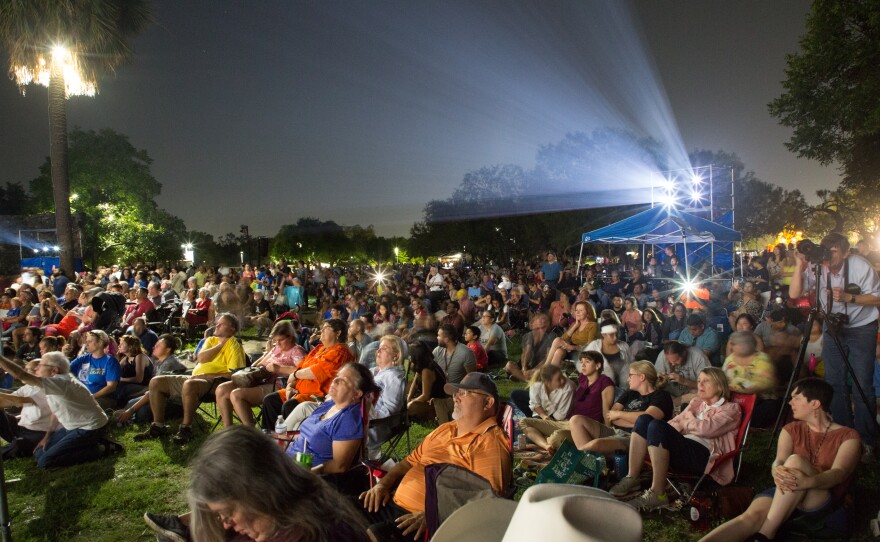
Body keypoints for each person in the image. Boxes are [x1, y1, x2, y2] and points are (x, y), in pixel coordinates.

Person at [143, 426, 370, 542]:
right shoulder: (278, 519)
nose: (226, 524)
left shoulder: (315, 533)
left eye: (227, 513)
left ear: (260, 490)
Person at [700, 378, 860, 541]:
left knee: (795, 461)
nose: (790, 403)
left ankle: (765, 535)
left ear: (815, 404)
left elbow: (839, 473)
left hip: (819, 497)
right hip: (786, 490)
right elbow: (779, 461)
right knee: (750, 517)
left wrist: (807, 482)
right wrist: (777, 470)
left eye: (796, 398)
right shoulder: (791, 429)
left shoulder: (848, 436)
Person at [359, 372, 511, 541]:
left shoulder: (490, 443)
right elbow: (408, 463)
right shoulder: (445, 429)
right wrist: (383, 485)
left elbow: (488, 503)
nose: (455, 398)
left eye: (465, 393)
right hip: (392, 505)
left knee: (373, 534)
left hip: (425, 525)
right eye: (456, 393)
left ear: (488, 402)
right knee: (339, 511)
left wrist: (433, 517)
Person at [790, 232, 880, 456]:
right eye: (825, 251)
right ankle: (844, 435)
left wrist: (851, 298)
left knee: (862, 385)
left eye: (834, 252)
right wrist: (800, 264)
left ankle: (867, 440)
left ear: (847, 252)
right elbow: (794, 293)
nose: (828, 257)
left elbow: (877, 297)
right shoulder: (817, 266)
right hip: (833, 327)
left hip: (862, 327)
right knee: (834, 383)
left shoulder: (860, 266)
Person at [609, 368, 741, 511]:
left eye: (706, 381)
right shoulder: (697, 403)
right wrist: (687, 423)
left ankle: (657, 494)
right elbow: (673, 423)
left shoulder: (731, 409)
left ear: (720, 385)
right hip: (682, 447)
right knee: (644, 419)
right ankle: (632, 478)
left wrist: (686, 421)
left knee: (657, 425)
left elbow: (706, 429)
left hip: (703, 457)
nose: (700, 385)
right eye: (698, 381)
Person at [135, 313, 246, 444]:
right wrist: (220, 344)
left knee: (190, 384)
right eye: (217, 322)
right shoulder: (211, 340)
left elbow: (234, 374)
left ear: (232, 329)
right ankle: (158, 426)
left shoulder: (234, 345)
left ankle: (186, 428)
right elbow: (202, 358)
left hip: (215, 383)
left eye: (221, 324)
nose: (217, 325)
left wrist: (208, 375)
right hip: (195, 378)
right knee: (156, 382)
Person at [0, 352, 112, 468]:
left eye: (41, 365)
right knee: (39, 451)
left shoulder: (60, 382)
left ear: (54, 370)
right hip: (73, 427)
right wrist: (47, 437)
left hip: (90, 428)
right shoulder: (56, 383)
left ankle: (100, 449)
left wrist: (1, 359)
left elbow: (21, 375)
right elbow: (56, 411)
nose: (37, 367)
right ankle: (86, 445)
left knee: (45, 462)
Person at [285, 363, 380, 475]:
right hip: (289, 462)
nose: (335, 381)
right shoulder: (329, 405)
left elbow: (339, 466)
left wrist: (308, 474)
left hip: (306, 477)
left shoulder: (348, 420)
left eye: (343, 380)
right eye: (337, 376)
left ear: (357, 393)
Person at [260, 318, 353, 431]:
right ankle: (269, 439)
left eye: (325, 329)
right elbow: (301, 367)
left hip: (316, 396)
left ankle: (285, 442)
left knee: (289, 405)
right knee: (270, 400)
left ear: (338, 333)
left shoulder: (340, 352)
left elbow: (315, 372)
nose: (321, 331)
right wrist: (290, 386)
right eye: (321, 328)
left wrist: (294, 375)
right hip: (298, 390)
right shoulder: (320, 348)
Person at [569, 361, 674, 456]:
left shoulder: (661, 396)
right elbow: (611, 415)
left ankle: (576, 460)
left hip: (636, 438)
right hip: (616, 431)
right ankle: (589, 463)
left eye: (630, 375)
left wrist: (620, 415)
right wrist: (635, 421)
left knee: (597, 444)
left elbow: (647, 418)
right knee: (576, 420)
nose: (628, 379)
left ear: (642, 377)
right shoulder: (630, 393)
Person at [215, 320, 306, 428]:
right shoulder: (276, 348)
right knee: (222, 389)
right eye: (275, 340)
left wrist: (279, 368)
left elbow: (302, 371)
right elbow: (258, 364)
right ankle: (228, 428)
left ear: (290, 337)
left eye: (281, 340)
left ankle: (251, 432)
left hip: (277, 384)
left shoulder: (296, 351)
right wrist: (258, 364)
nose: (278, 343)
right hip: (260, 379)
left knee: (236, 394)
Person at [519, 350, 614, 453]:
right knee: (523, 422)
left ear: (598, 365)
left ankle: (544, 440)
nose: (583, 365)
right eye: (581, 362)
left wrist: (608, 437)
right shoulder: (583, 379)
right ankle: (546, 445)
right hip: (567, 423)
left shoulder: (605, 383)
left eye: (587, 361)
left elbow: (606, 412)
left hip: (585, 426)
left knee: (556, 437)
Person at [115, 334, 187, 425]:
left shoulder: (169, 364)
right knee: (131, 401)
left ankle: (127, 418)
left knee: (142, 411)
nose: (154, 347)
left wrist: (131, 409)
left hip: (175, 403)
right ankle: (124, 417)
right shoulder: (160, 362)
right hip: (161, 395)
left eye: (158, 346)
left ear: (168, 350)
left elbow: (155, 391)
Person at [723, 331, 779, 428]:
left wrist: (745, 390)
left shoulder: (762, 359)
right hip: (734, 399)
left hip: (761, 399)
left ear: (746, 345)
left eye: (734, 344)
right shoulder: (730, 359)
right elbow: (723, 378)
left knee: (759, 413)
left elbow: (768, 382)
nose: (731, 347)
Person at [367, 335, 408, 459]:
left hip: (374, 426)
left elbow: (390, 411)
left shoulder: (393, 377)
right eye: (379, 348)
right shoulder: (377, 371)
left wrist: (365, 417)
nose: (378, 351)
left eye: (384, 348)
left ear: (396, 355)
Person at [0, 360, 51, 458]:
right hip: (21, 428)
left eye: (29, 370)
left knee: (19, 445)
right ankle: (15, 442)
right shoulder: (27, 388)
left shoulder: (46, 387)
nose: (25, 371)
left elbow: (19, 400)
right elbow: (7, 401)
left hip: (39, 433)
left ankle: (14, 446)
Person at [431, 324, 476, 423]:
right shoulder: (438, 351)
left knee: (440, 402)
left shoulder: (466, 353)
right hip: (440, 393)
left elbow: (473, 378)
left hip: (458, 394)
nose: (437, 337)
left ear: (446, 340)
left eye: (439, 335)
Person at [69, 329, 121, 409]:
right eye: (87, 341)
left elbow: (111, 387)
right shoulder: (83, 359)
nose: (86, 344)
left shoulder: (110, 361)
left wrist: (91, 397)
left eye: (90, 341)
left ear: (100, 343)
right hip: (81, 396)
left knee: (82, 408)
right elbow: (64, 371)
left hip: (103, 398)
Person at [509, 363, 575, 419]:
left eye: (562, 376)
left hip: (555, 416)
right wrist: (543, 416)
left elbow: (560, 415)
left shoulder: (568, 387)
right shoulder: (537, 384)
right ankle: (531, 419)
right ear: (547, 382)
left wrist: (547, 420)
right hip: (541, 411)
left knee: (532, 426)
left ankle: (534, 423)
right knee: (516, 394)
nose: (563, 380)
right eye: (558, 379)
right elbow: (535, 403)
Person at [654, 340, 711, 405]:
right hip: (670, 393)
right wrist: (660, 378)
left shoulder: (698, 356)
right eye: (669, 361)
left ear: (684, 353)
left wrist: (684, 381)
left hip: (690, 393)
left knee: (700, 394)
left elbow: (708, 386)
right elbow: (654, 382)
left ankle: (673, 404)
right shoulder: (662, 355)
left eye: (676, 360)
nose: (672, 364)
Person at [544, 301, 598, 368]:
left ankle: (545, 369)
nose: (577, 312)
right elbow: (563, 338)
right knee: (558, 350)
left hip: (582, 351)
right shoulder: (574, 324)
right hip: (570, 350)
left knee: (558, 348)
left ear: (588, 312)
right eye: (576, 310)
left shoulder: (593, 325)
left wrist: (573, 347)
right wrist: (575, 325)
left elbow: (591, 346)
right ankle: (548, 372)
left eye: (581, 310)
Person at [504, 312, 556, 382]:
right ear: (532, 326)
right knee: (509, 365)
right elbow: (525, 353)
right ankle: (525, 378)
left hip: (541, 365)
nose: (541, 330)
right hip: (528, 365)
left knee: (541, 371)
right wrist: (524, 368)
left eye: (543, 327)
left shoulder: (551, 336)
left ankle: (520, 377)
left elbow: (548, 358)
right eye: (538, 328)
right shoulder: (528, 335)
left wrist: (533, 370)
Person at [583, 321, 633, 389]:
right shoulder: (594, 347)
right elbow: (583, 367)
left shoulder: (624, 346)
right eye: (611, 335)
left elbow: (631, 364)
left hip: (624, 386)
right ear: (603, 334)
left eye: (617, 334)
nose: (615, 337)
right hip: (600, 387)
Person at [406, 342, 447, 422]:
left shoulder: (426, 370)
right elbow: (414, 383)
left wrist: (411, 402)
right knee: (404, 395)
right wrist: (409, 397)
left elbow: (425, 395)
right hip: (427, 399)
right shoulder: (422, 364)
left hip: (435, 403)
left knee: (410, 407)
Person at [115, 335, 153, 403]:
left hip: (145, 387)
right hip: (132, 385)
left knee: (124, 387)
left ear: (130, 346)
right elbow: (115, 370)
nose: (119, 346)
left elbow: (139, 379)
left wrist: (122, 379)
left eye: (122, 344)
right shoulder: (126, 358)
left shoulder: (140, 357)